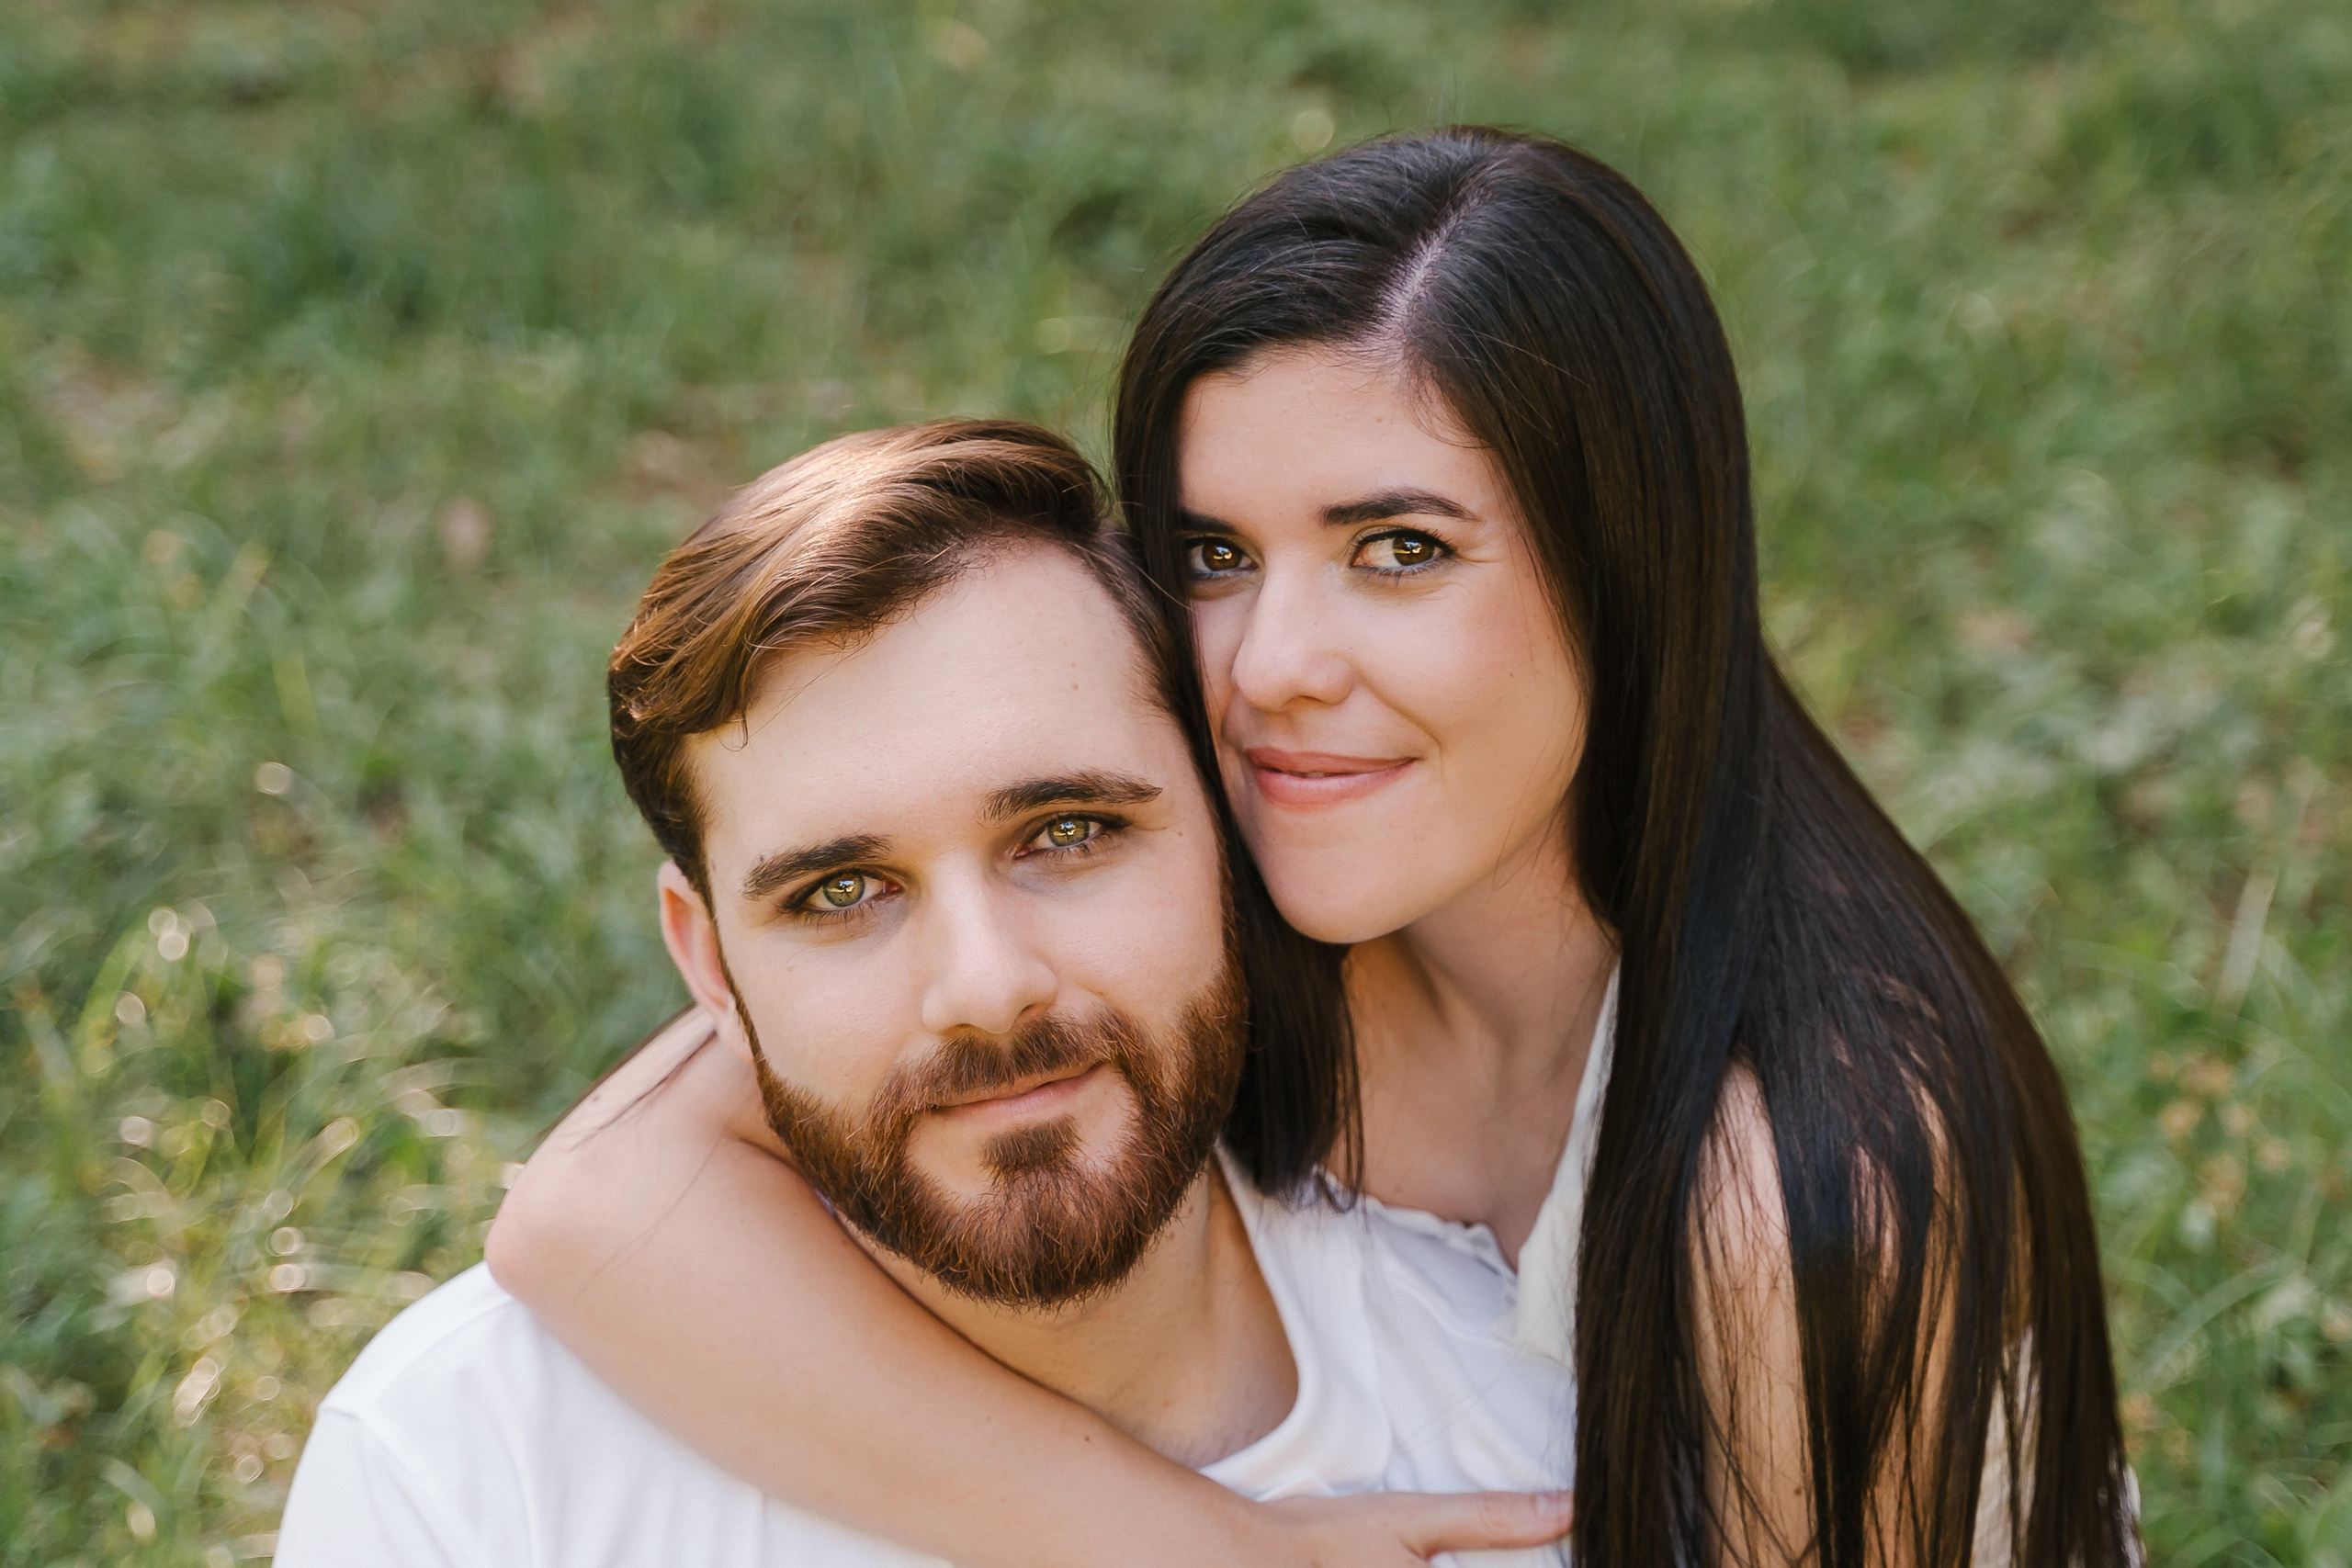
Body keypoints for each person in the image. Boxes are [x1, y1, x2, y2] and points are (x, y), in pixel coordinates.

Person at [489, 130, 2140, 1565]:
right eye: (1215, 551)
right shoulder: (1230, 899)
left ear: (1625, 564)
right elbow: (591, 1212)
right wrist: (1188, 1546)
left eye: (1399, 550)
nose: (1273, 663)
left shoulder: (1794, 1199)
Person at [275, 423, 1577, 1566]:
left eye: (1068, 833)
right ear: (710, 965)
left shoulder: (1532, 1428)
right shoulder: (465, 1474)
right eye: (840, 894)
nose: (988, 988)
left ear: (1228, 837)